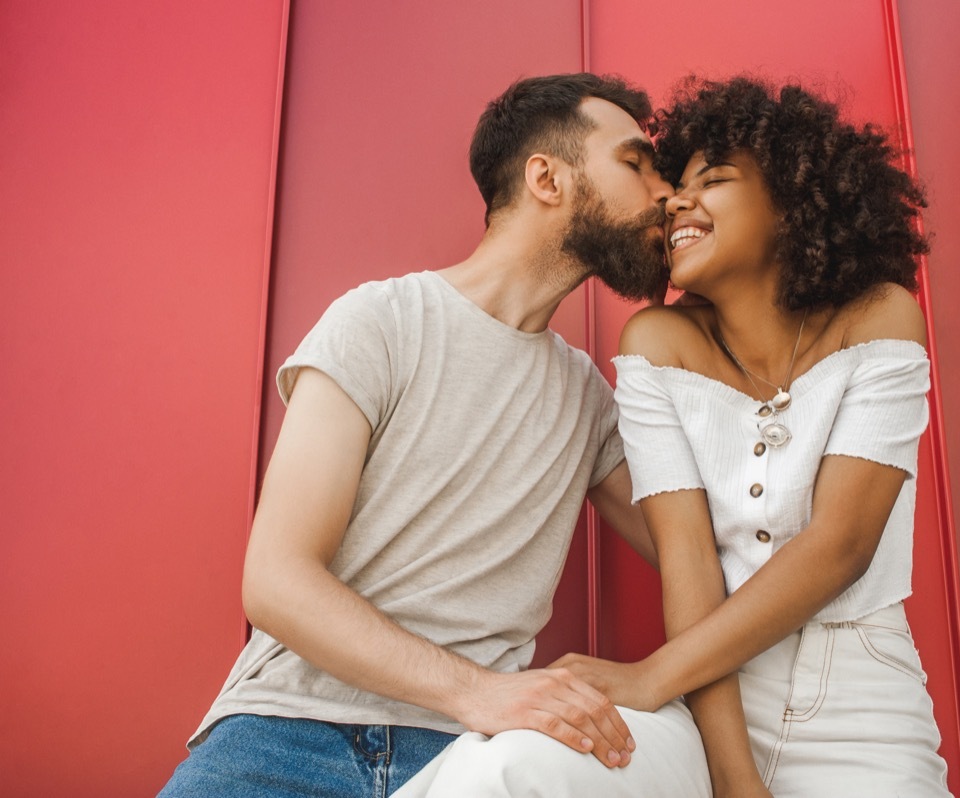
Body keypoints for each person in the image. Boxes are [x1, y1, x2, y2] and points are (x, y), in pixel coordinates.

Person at [396, 76, 952, 798]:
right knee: (502, 773)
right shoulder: (655, 343)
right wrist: (732, 777)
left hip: (862, 694)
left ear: (795, 202)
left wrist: (650, 675)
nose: (675, 201)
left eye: (712, 180)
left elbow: (841, 545)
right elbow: (688, 561)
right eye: (670, 182)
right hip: (709, 694)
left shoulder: (881, 316)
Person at [158, 73, 709, 798]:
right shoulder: (380, 321)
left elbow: (708, 552)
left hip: (466, 765)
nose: (664, 194)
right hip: (284, 736)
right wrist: (484, 693)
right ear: (546, 176)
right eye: (636, 164)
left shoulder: (590, 401)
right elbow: (277, 582)